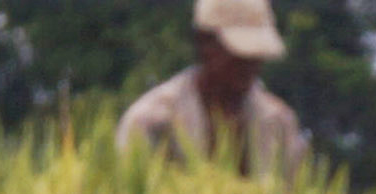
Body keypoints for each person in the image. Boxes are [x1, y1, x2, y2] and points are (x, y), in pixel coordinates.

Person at [117, 0, 307, 178]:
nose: (250, 64)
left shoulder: (279, 124)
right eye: (239, 55)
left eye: (257, 55)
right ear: (204, 42)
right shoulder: (153, 121)